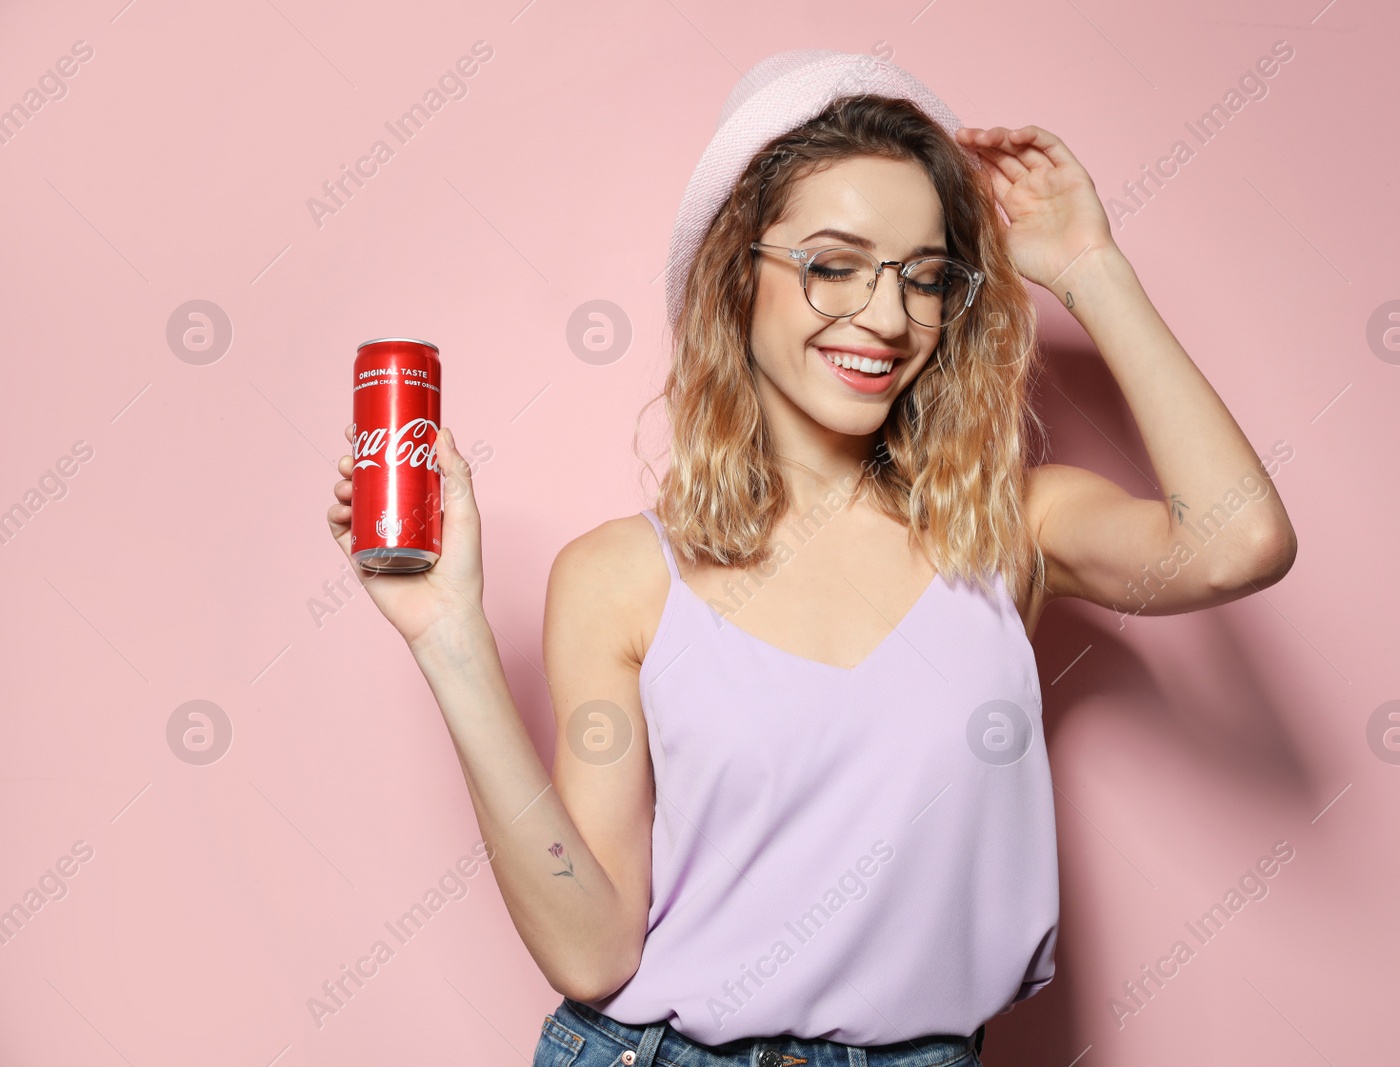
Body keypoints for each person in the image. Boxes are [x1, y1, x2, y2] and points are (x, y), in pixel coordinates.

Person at [326, 48, 1296, 1067]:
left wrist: (1091, 267)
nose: (885, 318)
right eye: (832, 264)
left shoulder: (1008, 531)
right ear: (736, 276)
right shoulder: (620, 577)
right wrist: (449, 638)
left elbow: (1237, 540)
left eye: (922, 277)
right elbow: (591, 946)